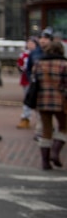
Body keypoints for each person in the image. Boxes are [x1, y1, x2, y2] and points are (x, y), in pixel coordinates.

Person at [31, 38, 67, 170]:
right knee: (64, 127)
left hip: (42, 100)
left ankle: (45, 161)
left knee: (46, 130)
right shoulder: (64, 64)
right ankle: (55, 152)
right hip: (61, 101)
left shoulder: (39, 64)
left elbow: (34, 81)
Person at [17, 37, 39, 129]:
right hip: (26, 79)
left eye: (31, 43)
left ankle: (41, 121)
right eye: (28, 43)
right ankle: (25, 118)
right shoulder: (24, 54)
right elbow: (21, 65)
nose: (29, 45)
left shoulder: (38, 54)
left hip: (36, 80)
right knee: (27, 99)